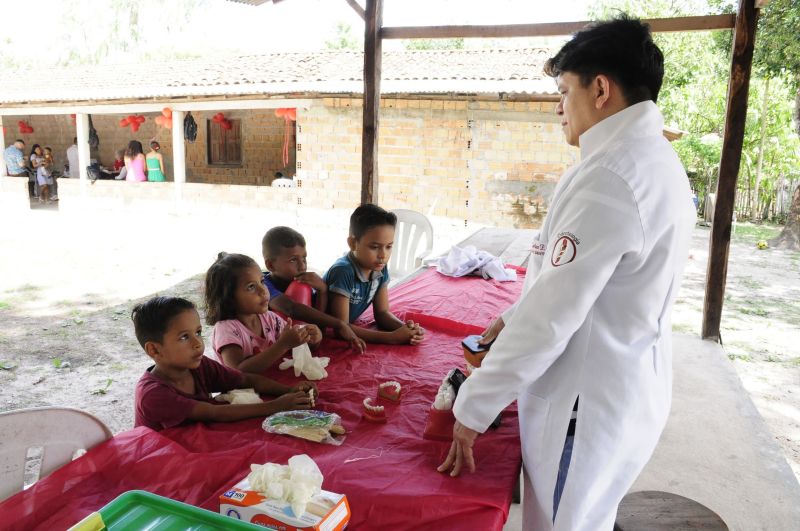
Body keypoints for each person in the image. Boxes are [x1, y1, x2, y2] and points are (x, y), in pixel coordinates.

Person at [437, 16, 696, 530]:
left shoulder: (611, 175)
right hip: (626, 384)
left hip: (586, 403)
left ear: (600, 89)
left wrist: (473, 408)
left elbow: (554, 317)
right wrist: (515, 312)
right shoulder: (653, 158)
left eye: (564, 90)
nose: (558, 107)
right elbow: (588, 283)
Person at [132, 295, 316, 432]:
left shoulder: (199, 365)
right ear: (154, 350)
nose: (197, 343)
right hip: (160, 459)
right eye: (184, 337)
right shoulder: (153, 394)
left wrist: (288, 391)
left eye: (197, 332)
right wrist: (275, 406)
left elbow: (244, 379)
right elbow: (212, 413)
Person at [205, 252, 323, 375]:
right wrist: (283, 345)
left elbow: (294, 343)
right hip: (243, 393)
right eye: (251, 287)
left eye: (262, 281)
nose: (263, 291)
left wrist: (311, 339)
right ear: (228, 297)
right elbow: (238, 372)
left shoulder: (270, 319)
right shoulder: (226, 329)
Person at [323, 204, 425, 345]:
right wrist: (392, 337)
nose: (383, 255)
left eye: (389, 246)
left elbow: (382, 313)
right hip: (322, 333)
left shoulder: (379, 267)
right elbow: (341, 328)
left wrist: (406, 330)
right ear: (353, 243)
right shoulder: (343, 272)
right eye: (374, 247)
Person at [261, 226, 366, 353]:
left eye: (304, 258)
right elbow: (291, 308)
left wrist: (322, 291)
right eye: (293, 260)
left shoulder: (303, 285)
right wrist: (339, 324)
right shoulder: (264, 285)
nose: (302, 266)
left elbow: (318, 328)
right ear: (270, 265)